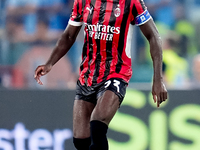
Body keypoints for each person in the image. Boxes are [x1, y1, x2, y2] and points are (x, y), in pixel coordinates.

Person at [34, 0, 168, 149]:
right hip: (88, 75)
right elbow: (69, 36)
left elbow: (154, 36)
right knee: (80, 140)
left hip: (116, 73)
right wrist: (49, 63)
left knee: (97, 126)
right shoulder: (82, 2)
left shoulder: (131, 2)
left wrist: (158, 79)